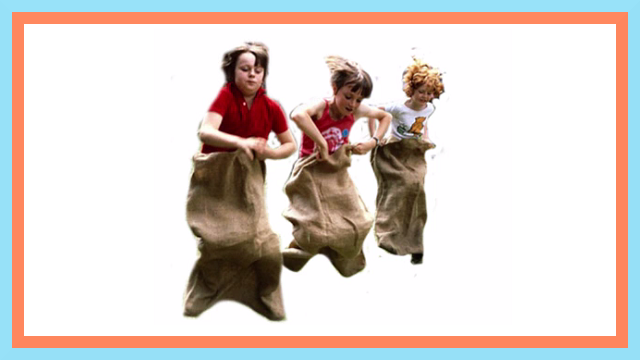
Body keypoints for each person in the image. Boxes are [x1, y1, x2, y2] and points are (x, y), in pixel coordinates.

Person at [183, 42, 295, 320]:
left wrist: (269, 152)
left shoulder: (271, 107)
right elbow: (206, 132)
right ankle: (207, 288)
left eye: (258, 70)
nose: (252, 75)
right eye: (245, 69)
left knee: (265, 246)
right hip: (215, 180)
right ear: (233, 72)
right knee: (216, 239)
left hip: (248, 181)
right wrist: (239, 142)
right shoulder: (226, 97)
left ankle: (265, 291)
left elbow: (290, 144)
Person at [282, 56, 391, 277]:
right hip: (311, 170)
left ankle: (344, 255)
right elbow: (297, 115)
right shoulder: (322, 107)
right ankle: (301, 249)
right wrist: (320, 143)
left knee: (359, 220)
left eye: (358, 100)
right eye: (348, 97)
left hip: (336, 171)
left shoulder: (356, 112)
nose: (352, 104)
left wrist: (372, 142)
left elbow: (385, 117)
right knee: (313, 221)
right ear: (335, 89)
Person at [368, 57, 445, 264]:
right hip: (395, 150)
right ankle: (387, 234)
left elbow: (423, 125)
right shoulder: (398, 107)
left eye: (430, 93)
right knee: (398, 188)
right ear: (411, 89)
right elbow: (373, 113)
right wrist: (376, 137)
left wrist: (426, 139)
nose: (425, 97)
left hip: (414, 152)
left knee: (416, 189)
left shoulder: (429, 108)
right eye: (421, 92)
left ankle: (413, 242)